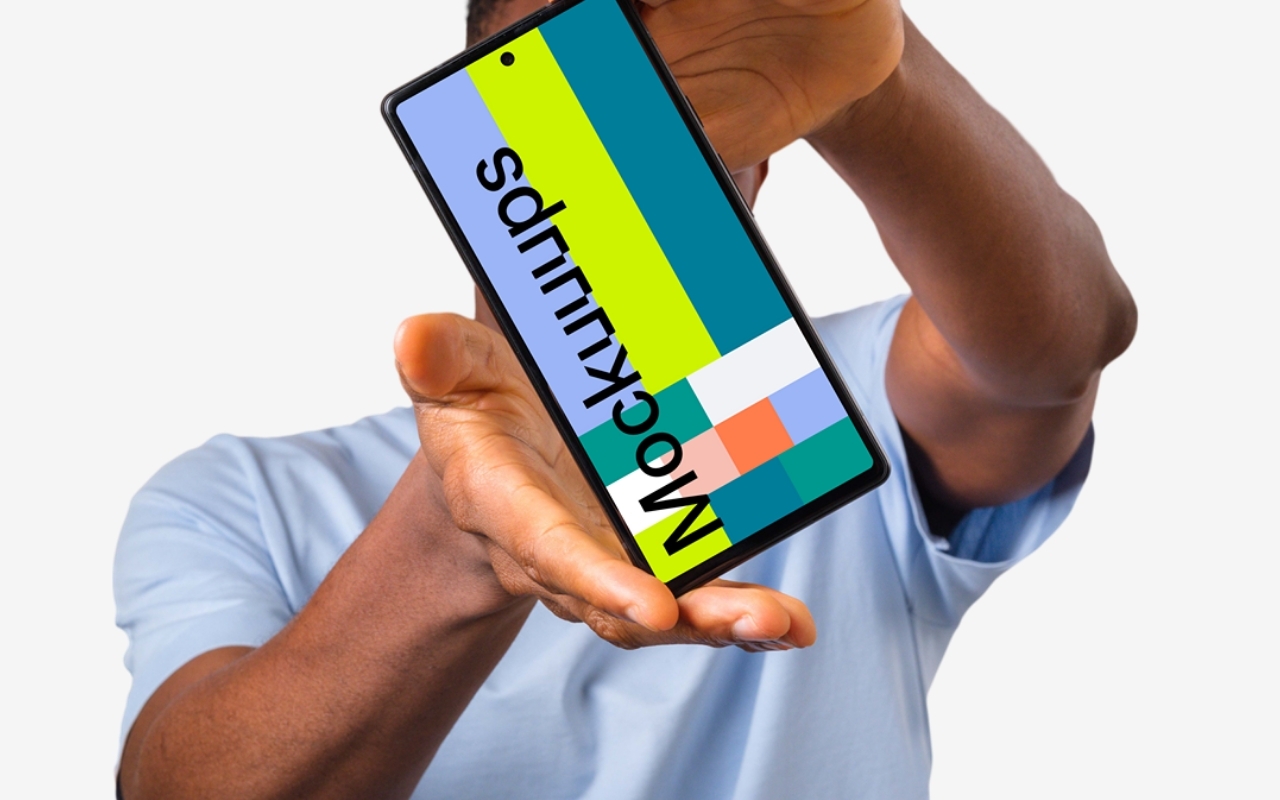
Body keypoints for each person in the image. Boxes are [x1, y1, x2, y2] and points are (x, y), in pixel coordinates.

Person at [113, 0, 1137, 797]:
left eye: (664, 120)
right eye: (561, 99)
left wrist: (883, 92)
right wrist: (453, 532)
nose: (604, 162)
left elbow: (1050, 353)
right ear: (461, 144)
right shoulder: (240, 494)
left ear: (756, 165)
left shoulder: (836, 401)